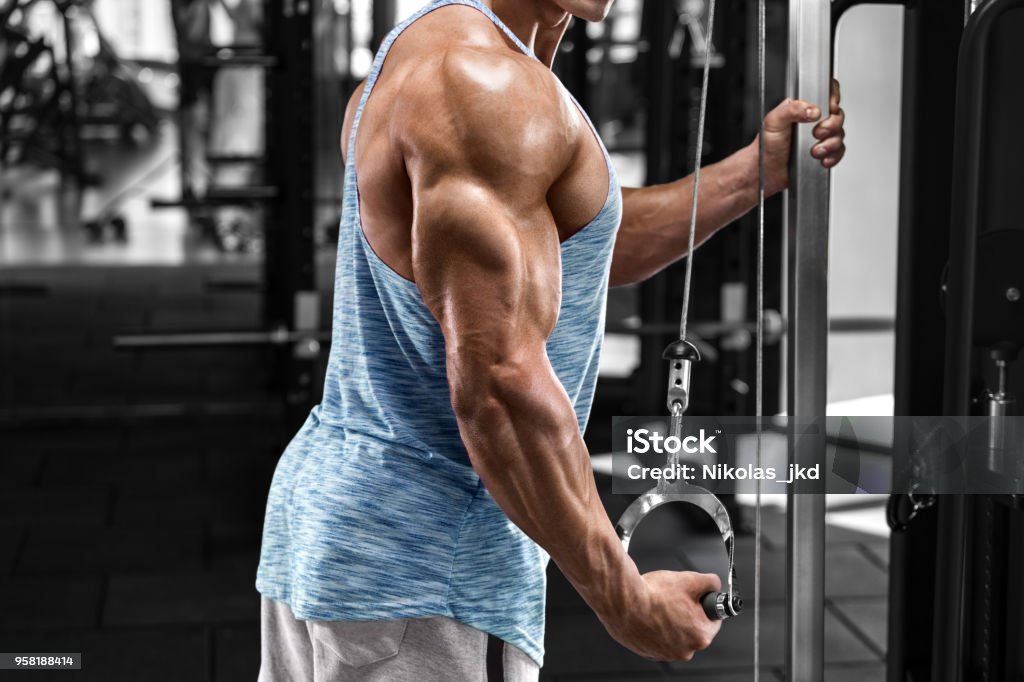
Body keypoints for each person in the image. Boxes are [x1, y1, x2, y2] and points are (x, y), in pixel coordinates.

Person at [256, 1, 847, 680]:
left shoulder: (455, 61)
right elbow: (500, 382)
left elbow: (574, 245)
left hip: (349, 526)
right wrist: (627, 601)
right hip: (427, 563)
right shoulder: (481, 85)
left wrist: (754, 173)